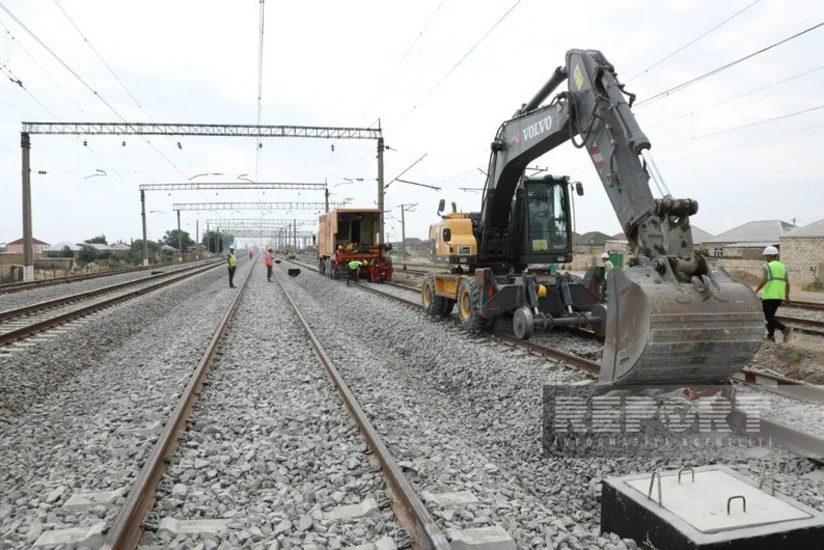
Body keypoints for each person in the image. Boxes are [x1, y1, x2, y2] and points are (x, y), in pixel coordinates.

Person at [754, 245, 793, 342]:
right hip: (779, 296)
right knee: (771, 316)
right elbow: (787, 283)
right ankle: (771, 337)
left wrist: (756, 290)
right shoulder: (783, 267)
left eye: (766, 256)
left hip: (769, 296)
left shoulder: (767, 266)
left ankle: (784, 329)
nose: (766, 258)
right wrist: (787, 296)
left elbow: (764, 280)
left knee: (768, 316)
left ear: (770, 256)